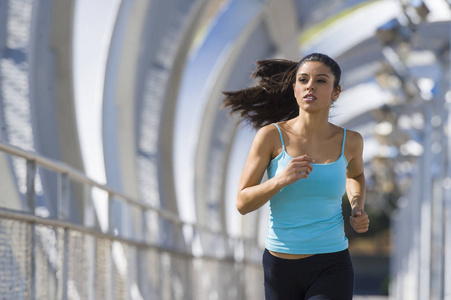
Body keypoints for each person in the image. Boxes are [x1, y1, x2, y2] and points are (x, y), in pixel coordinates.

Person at [222, 53, 370, 300]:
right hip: (280, 265)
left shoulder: (351, 141)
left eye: (321, 81)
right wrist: (281, 179)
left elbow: (356, 175)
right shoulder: (271, 137)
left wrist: (357, 207)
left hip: (331, 263)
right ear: (295, 90)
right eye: (303, 80)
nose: (310, 85)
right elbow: (242, 203)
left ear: (336, 92)